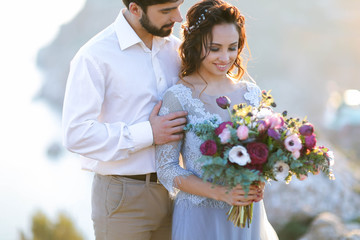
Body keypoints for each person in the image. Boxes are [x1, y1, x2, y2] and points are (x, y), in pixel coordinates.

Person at [62, 0, 187, 239]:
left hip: (176, 192)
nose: (178, 17)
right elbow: (75, 134)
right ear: (135, 9)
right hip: (123, 197)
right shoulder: (94, 55)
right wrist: (149, 133)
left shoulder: (177, 50)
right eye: (166, 11)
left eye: (178, 6)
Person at [155, 0, 279, 239]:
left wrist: (258, 181)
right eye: (214, 48)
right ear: (195, 44)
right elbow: (166, 169)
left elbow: (265, 151)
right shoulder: (178, 97)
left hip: (246, 216)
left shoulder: (251, 93)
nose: (225, 57)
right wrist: (222, 193)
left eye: (232, 47)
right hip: (198, 219)